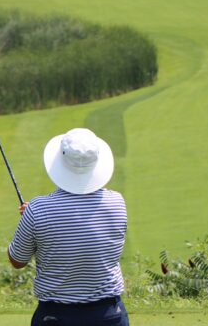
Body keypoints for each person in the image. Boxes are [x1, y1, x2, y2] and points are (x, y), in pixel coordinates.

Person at [8, 128, 129, 326]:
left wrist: (31, 218)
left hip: (56, 316)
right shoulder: (117, 202)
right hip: (109, 315)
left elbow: (17, 261)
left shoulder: (37, 210)